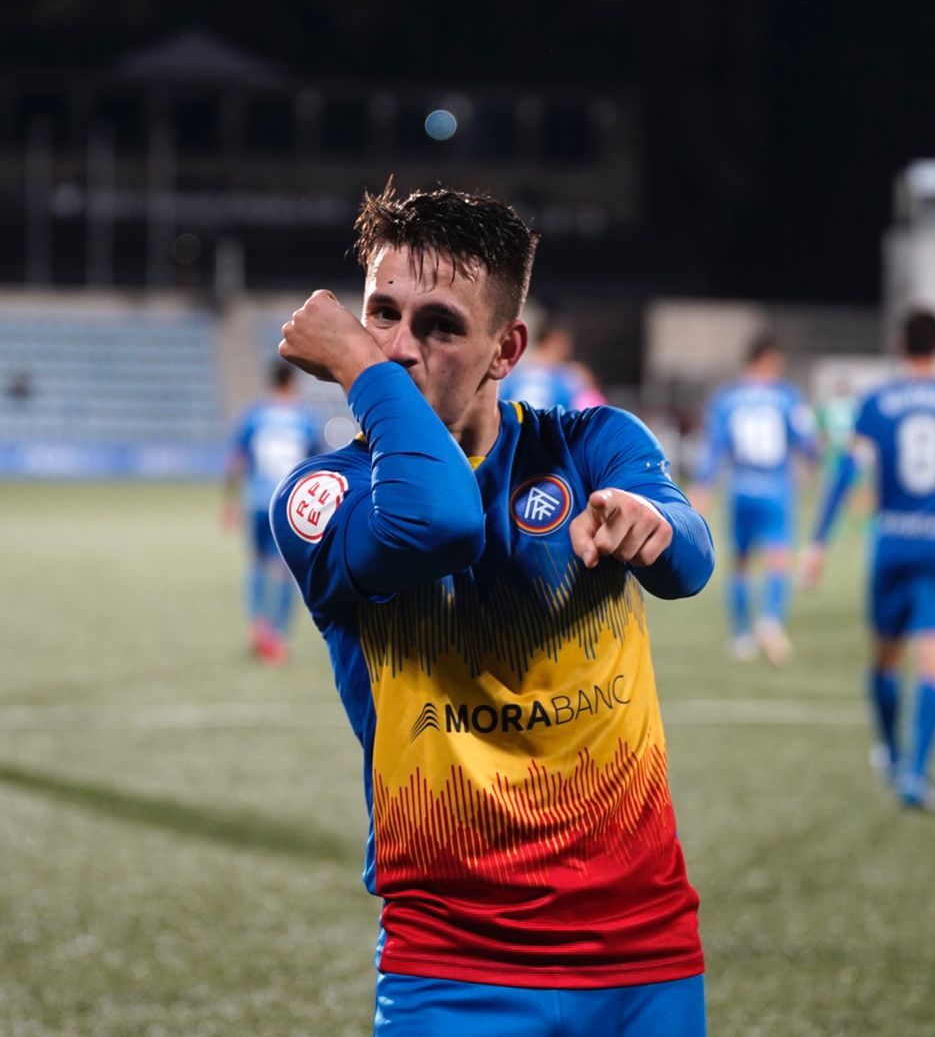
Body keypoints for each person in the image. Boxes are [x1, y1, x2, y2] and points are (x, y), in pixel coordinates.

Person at [270, 183, 715, 1036]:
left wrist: (652, 521)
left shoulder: (588, 445)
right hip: (451, 964)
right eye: (381, 315)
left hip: (640, 951)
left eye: (438, 326)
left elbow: (689, 559)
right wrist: (366, 375)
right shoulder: (323, 495)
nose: (399, 348)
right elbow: (438, 520)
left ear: (506, 348)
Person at [800, 309, 935, 811]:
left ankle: (890, 753)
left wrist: (819, 543)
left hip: (891, 539)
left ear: (899, 343)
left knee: (887, 657)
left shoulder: (877, 402)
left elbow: (846, 473)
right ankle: (917, 773)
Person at [692, 334, 818, 666]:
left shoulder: (727, 398)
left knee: (741, 563)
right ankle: (770, 622)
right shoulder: (786, 396)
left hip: (740, 486)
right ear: (770, 358)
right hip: (776, 486)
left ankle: (742, 636)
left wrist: (703, 486)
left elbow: (714, 446)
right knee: (778, 557)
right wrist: (816, 457)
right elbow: (807, 442)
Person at [222, 362, 321, 664]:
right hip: (287, 508)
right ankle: (276, 635)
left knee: (256, 564)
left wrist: (229, 501)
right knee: (286, 569)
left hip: (256, 502)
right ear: (292, 382)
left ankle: (256, 626)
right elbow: (318, 466)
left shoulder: (254, 415)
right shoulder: (305, 420)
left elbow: (237, 460)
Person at [499, 319, 580, 410]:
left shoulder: (566, 377)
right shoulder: (565, 379)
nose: (566, 351)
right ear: (547, 342)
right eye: (561, 344)